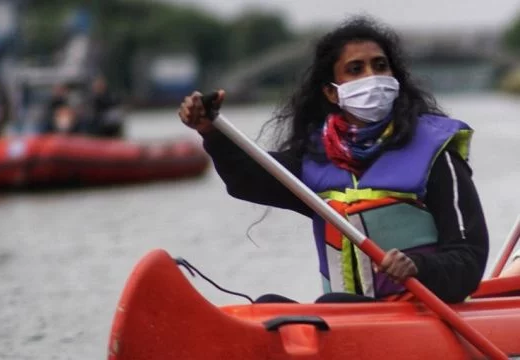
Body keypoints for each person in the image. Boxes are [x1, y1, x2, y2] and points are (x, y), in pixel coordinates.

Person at [178, 16, 489, 304]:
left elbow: (469, 257)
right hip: (348, 318)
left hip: (421, 313)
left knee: (330, 304)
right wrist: (211, 132)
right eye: (356, 69)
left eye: (380, 66)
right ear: (331, 92)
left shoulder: (436, 152)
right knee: (267, 306)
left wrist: (418, 266)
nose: (372, 77)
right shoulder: (315, 160)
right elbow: (247, 179)